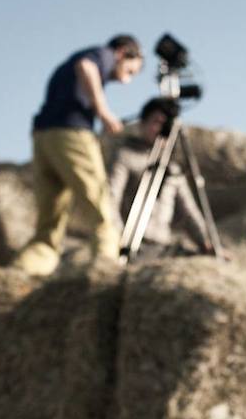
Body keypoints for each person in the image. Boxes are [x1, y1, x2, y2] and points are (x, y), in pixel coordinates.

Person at [14, 35, 145, 277]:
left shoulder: (73, 62)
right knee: (100, 207)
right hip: (71, 134)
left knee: (49, 223)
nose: (126, 80)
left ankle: (24, 271)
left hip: (44, 137)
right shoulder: (102, 54)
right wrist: (103, 112)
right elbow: (86, 67)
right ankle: (107, 271)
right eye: (130, 71)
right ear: (123, 52)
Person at [108, 97, 212, 256]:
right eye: (156, 122)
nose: (161, 129)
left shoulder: (172, 168)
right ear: (142, 123)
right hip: (132, 241)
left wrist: (206, 242)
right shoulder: (126, 157)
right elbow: (110, 198)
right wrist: (117, 236)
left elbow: (189, 211)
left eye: (166, 124)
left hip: (163, 244)